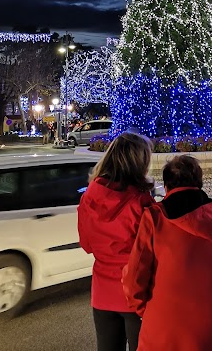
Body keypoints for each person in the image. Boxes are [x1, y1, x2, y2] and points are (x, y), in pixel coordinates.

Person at [122, 154, 212, 351]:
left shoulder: (154, 217)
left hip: (163, 330)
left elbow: (135, 276)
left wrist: (143, 308)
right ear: (199, 183)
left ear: (166, 186)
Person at [77, 132, 155, 351]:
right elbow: (152, 251)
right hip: (136, 293)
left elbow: (87, 245)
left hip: (102, 294)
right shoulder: (142, 201)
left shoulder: (89, 197)